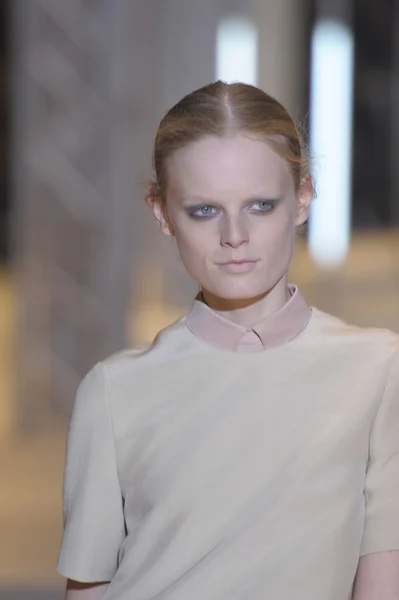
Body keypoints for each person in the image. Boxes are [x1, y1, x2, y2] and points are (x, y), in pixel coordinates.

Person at [57, 81, 399, 600]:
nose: (234, 234)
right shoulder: (113, 391)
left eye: (260, 205)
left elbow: (383, 572)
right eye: (204, 210)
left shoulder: (377, 369)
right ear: (162, 212)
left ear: (303, 197)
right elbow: (88, 587)